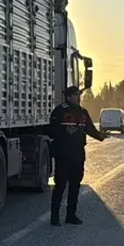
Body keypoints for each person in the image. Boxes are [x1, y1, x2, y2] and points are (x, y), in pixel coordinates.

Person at [46, 85, 106, 226]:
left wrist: (101, 136)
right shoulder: (60, 111)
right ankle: (54, 217)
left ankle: (71, 215)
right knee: (60, 185)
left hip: (78, 154)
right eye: (75, 95)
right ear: (68, 97)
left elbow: (90, 129)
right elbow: (51, 130)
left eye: (79, 95)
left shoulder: (83, 112)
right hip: (63, 154)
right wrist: (65, 132)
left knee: (75, 185)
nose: (78, 97)